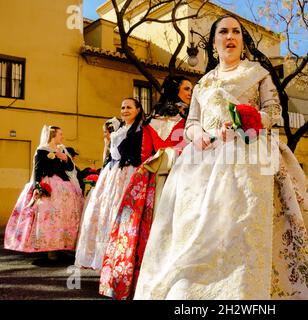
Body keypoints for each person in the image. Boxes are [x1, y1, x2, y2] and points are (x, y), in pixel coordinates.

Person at [133, 15, 308, 300]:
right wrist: (197, 133)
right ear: (213, 43)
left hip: (252, 153)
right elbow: (191, 122)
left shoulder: (257, 73)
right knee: (197, 231)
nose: (230, 36)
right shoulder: (203, 83)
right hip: (204, 160)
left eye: (235, 31)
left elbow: (274, 112)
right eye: (223, 31)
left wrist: (246, 119)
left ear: (242, 41)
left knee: (246, 223)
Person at [99, 75, 193, 300]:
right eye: (186, 88)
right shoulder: (191, 118)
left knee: (149, 230)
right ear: (175, 91)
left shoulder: (150, 119)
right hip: (183, 176)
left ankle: (146, 279)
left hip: (152, 179)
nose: (191, 92)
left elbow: (145, 155)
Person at [75, 98, 144, 270]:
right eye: (122, 107)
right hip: (112, 173)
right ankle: (104, 254)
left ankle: (122, 255)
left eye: (129, 107)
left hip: (129, 171)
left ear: (138, 109)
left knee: (122, 212)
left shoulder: (141, 129)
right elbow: (111, 156)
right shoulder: (119, 130)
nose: (125, 110)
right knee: (104, 212)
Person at [4, 126, 84, 264]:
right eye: (60, 134)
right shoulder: (42, 151)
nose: (62, 137)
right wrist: (37, 187)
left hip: (64, 186)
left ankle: (61, 245)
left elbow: (71, 168)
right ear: (53, 135)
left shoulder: (62, 150)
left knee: (63, 217)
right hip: (48, 185)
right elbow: (37, 170)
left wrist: (66, 159)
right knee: (48, 217)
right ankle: (50, 250)